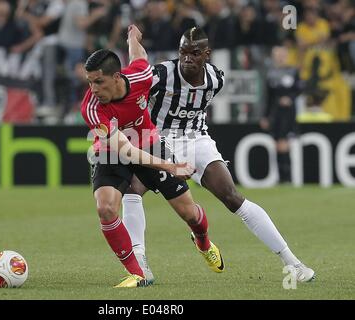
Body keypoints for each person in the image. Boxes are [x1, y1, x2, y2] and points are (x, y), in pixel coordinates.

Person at [122, 27, 315, 283]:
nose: (187, 58)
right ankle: (141, 265)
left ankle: (293, 262)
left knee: (233, 197)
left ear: (207, 54)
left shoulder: (216, 79)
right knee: (132, 190)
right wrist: (132, 41)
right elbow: (139, 66)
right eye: (183, 52)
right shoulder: (162, 74)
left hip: (196, 139)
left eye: (194, 53)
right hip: (160, 139)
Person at [80, 24, 224, 288]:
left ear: (116, 77)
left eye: (98, 81)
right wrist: (170, 166)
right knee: (106, 208)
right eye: (89, 81)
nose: (93, 89)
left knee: (190, 214)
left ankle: (203, 242)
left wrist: (132, 37)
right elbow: (125, 150)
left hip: (148, 143)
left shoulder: (141, 77)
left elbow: (138, 57)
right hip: (113, 152)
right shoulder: (91, 108)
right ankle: (138, 273)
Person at [260, 46, 300, 183]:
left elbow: (299, 88)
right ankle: (282, 177)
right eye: (277, 55)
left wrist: (290, 98)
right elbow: (268, 98)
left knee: (284, 143)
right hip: (275, 114)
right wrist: (265, 116)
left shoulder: (293, 71)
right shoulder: (270, 74)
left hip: (288, 113)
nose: (280, 57)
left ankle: (287, 177)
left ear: (286, 55)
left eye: (282, 54)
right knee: (277, 144)